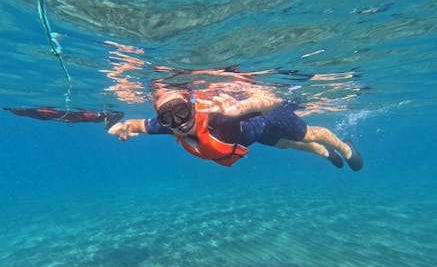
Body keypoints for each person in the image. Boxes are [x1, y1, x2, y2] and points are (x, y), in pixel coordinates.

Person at [108, 87, 363, 170]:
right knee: (288, 145)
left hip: (270, 119)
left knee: (310, 134)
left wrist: (239, 110)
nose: (178, 121)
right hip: (256, 135)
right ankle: (324, 153)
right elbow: (139, 125)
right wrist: (124, 127)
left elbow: (273, 101)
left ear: (192, 106)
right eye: (167, 117)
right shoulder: (171, 127)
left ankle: (343, 147)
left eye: (181, 111)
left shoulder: (216, 115)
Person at [4, 107, 123, 129]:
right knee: (81, 117)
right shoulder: (25, 111)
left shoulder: (26, 111)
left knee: (81, 117)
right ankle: (105, 117)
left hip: (63, 116)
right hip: (66, 116)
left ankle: (105, 117)